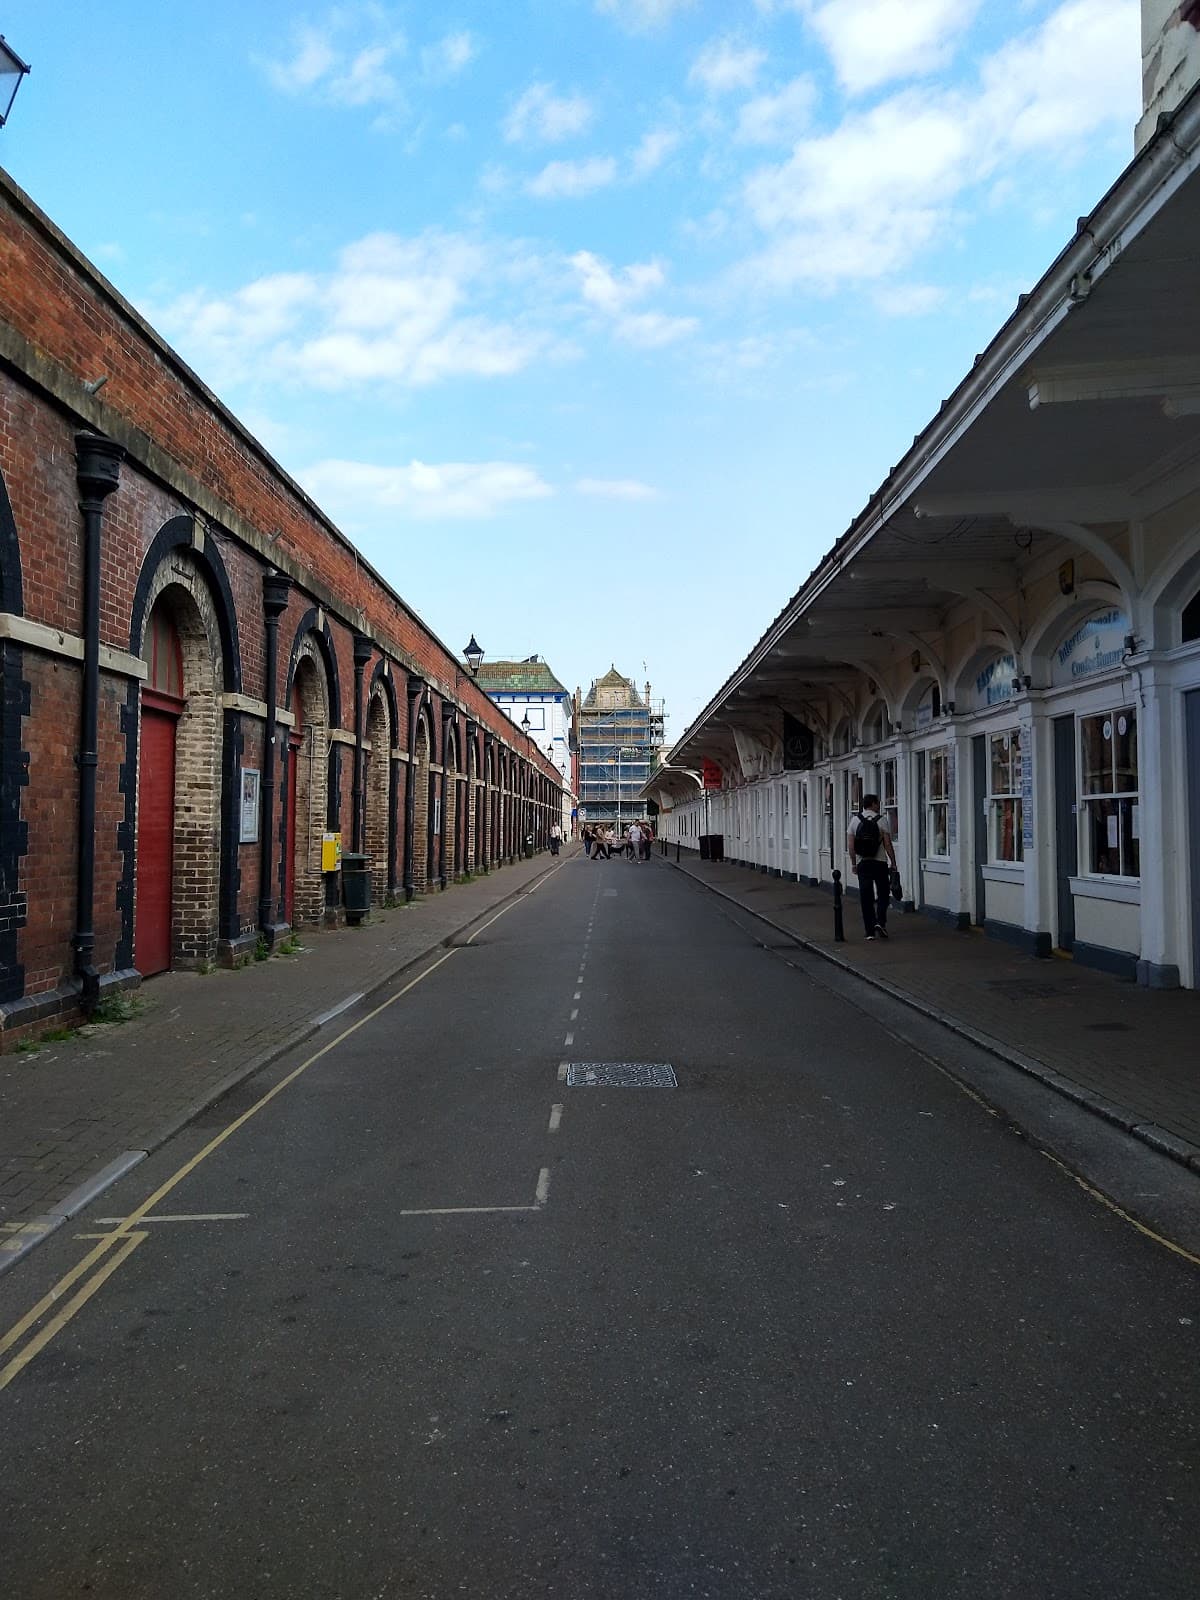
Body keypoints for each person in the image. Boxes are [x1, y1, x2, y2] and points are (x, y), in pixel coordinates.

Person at [847, 793, 897, 941]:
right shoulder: (882, 820)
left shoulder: (855, 821)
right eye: (877, 803)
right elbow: (888, 844)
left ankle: (869, 931)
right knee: (883, 894)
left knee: (866, 897)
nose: (878, 805)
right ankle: (881, 922)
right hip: (880, 863)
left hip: (863, 863)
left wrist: (854, 863)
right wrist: (893, 862)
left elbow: (851, 846)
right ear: (874, 804)